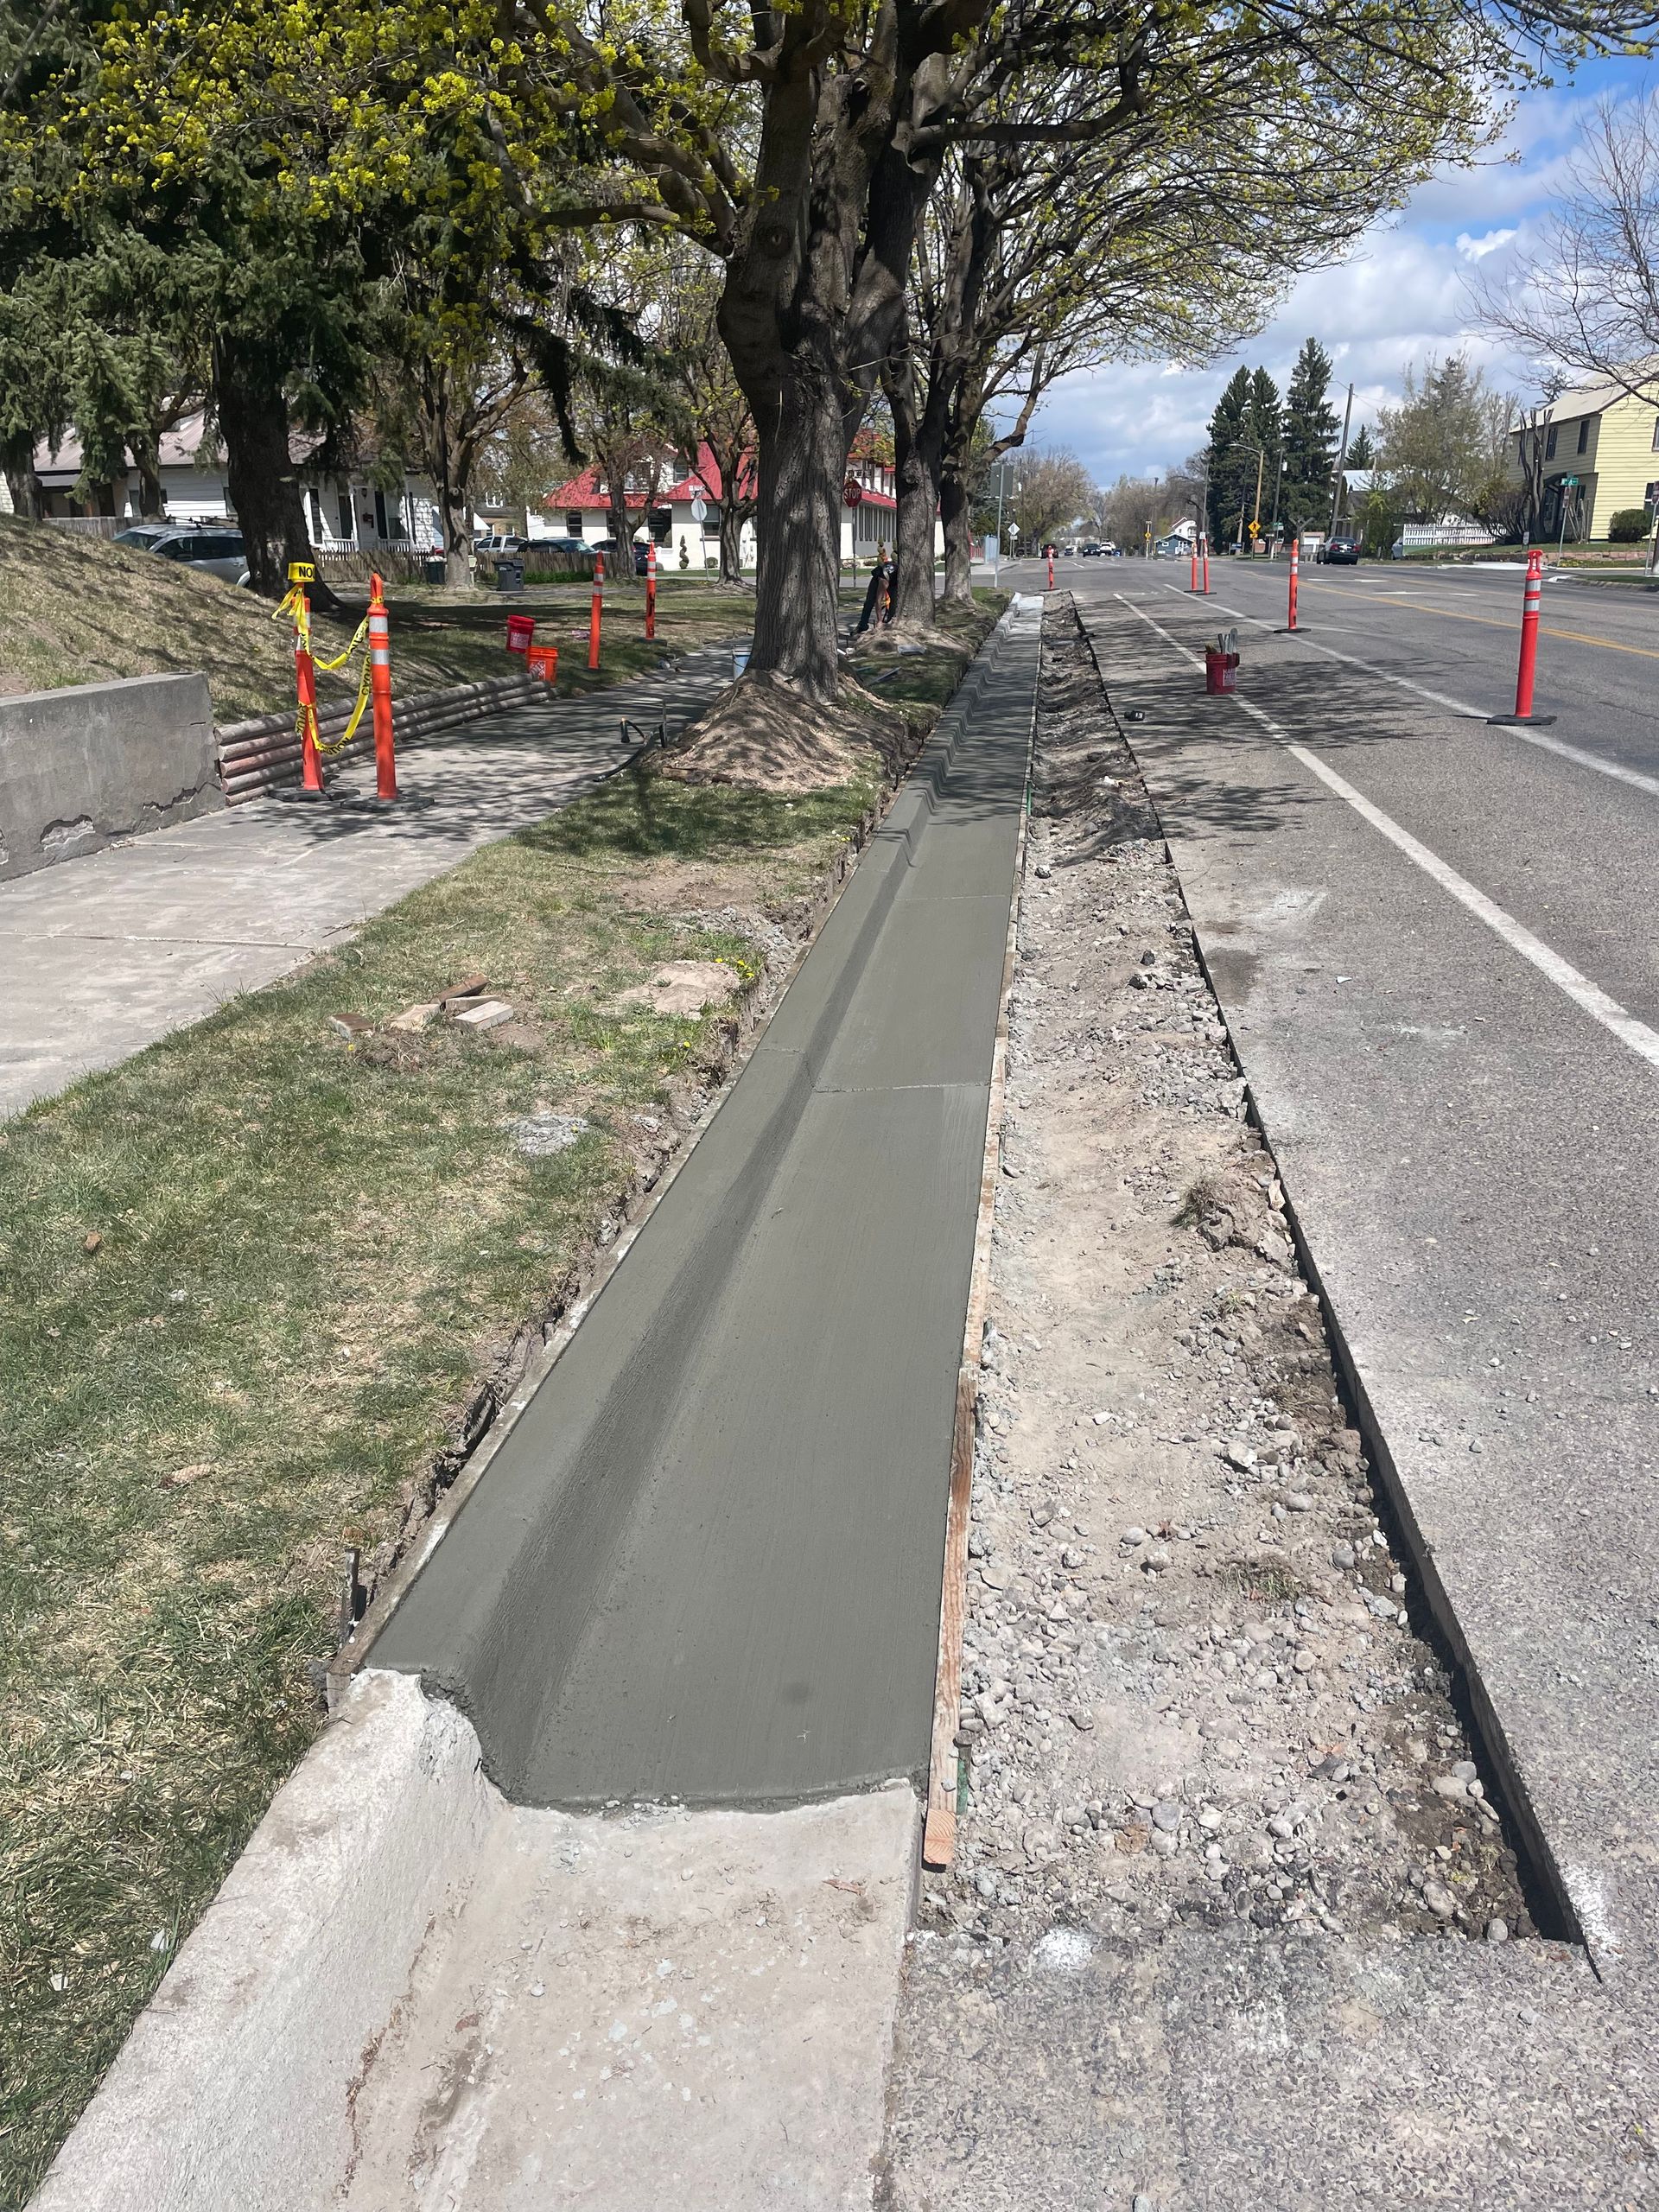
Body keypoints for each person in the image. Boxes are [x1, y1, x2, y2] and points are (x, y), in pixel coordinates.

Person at [855, 543, 894, 632]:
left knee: (893, 601)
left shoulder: (898, 577)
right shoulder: (882, 581)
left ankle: (888, 620)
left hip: (891, 577)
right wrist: (879, 621)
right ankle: (863, 624)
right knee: (870, 601)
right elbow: (878, 601)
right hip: (878, 577)